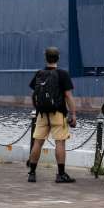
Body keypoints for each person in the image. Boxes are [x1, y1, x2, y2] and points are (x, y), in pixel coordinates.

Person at [27, 47, 77, 183]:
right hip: (58, 113)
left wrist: (38, 108)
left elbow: (34, 94)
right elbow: (68, 96)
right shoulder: (63, 74)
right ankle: (61, 174)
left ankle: (32, 173)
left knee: (37, 143)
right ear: (58, 58)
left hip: (42, 114)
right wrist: (73, 114)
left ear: (45, 57)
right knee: (60, 142)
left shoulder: (39, 73)